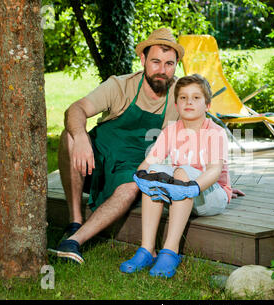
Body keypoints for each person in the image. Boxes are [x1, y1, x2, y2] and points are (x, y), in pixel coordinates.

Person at [49, 28, 185, 264]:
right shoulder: (120, 86)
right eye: (155, 62)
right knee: (69, 136)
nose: (162, 70)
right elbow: (76, 109)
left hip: (131, 164)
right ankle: (75, 221)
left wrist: (220, 181)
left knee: (134, 185)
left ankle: (73, 242)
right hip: (96, 158)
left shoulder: (180, 96)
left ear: (176, 66)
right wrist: (81, 138)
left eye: (169, 64)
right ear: (142, 60)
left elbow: (206, 132)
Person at [119, 74, 231, 278]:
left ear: (207, 105)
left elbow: (214, 171)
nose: (189, 102)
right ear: (176, 104)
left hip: (209, 196)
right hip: (181, 196)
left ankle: (170, 251)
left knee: (183, 170)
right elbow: (149, 162)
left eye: (196, 98)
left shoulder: (215, 133)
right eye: (183, 98)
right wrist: (140, 176)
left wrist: (193, 186)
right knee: (154, 173)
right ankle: (147, 249)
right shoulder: (170, 131)